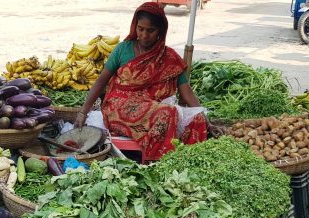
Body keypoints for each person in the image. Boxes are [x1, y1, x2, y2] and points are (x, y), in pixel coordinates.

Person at [74, 2, 208, 161]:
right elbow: (100, 82)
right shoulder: (123, 49)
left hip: (153, 107)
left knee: (197, 120)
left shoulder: (170, 58)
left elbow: (187, 94)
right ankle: (156, 161)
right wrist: (83, 112)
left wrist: (205, 118)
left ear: (160, 31)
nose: (144, 35)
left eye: (150, 30)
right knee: (167, 113)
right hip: (120, 107)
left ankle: (188, 160)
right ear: (134, 27)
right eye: (140, 29)